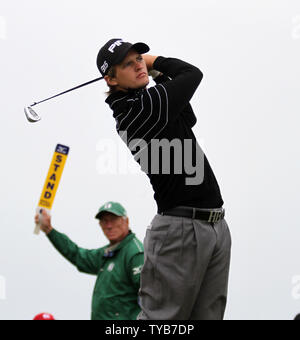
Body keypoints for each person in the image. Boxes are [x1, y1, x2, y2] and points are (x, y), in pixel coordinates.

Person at [96, 39, 232, 320]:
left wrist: (149, 71)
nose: (137, 65)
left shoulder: (153, 101)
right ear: (111, 78)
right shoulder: (137, 110)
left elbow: (187, 117)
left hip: (214, 225)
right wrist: (153, 62)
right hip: (180, 230)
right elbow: (192, 74)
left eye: (138, 59)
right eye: (128, 64)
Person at [35, 201, 144, 320]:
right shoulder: (108, 253)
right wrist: (49, 230)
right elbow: (77, 255)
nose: (108, 225)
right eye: (104, 221)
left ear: (126, 221)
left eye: (113, 219)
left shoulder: (135, 253)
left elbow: (151, 295)